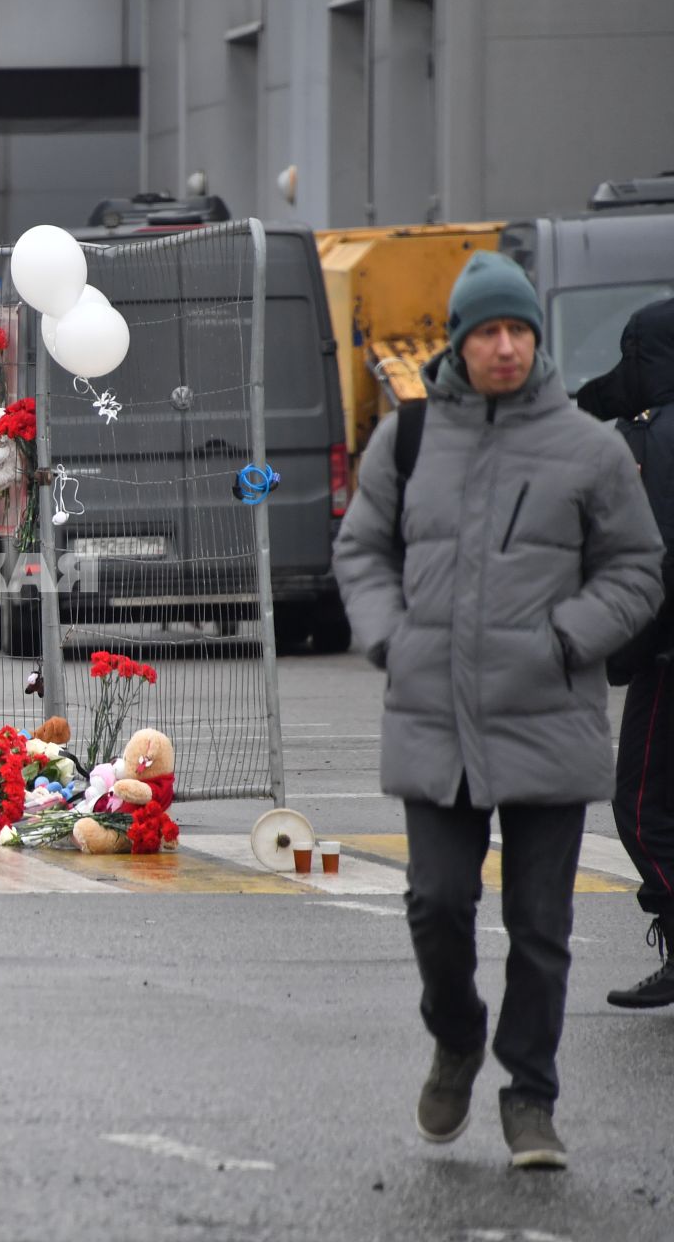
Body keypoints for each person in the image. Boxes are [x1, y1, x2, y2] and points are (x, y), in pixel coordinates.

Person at [333, 252, 664, 1170]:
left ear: (535, 341)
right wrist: (392, 639)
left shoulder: (590, 447)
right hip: (435, 716)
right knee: (436, 903)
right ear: (461, 342)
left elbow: (638, 570)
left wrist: (566, 638)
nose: (507, 346)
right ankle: (456, 1037)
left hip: (547, 717)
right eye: (489, 331)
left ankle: (530, 1099)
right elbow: (361, 552)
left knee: (541, 928)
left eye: (519, 331)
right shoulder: (405, 439)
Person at [573, 296, 674, 1009]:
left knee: (641, 805)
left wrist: (626, 651)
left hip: (667, 654)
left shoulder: (651, 443)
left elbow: (649, 563)